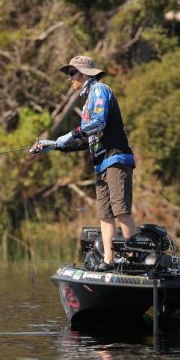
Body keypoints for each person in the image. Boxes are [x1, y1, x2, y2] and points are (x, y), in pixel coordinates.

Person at [30, 55, 136, 272]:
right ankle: (109, 261)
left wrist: (69, 134)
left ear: (85, 73)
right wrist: (51, 145)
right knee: (104, 214)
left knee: (120, 210)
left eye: (72, 73)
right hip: (101, 163)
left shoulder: (100, 90)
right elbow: (84, 141)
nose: (70, 79)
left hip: (116, 158)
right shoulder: (88, 101)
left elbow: (98, 122)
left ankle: (135, 257)